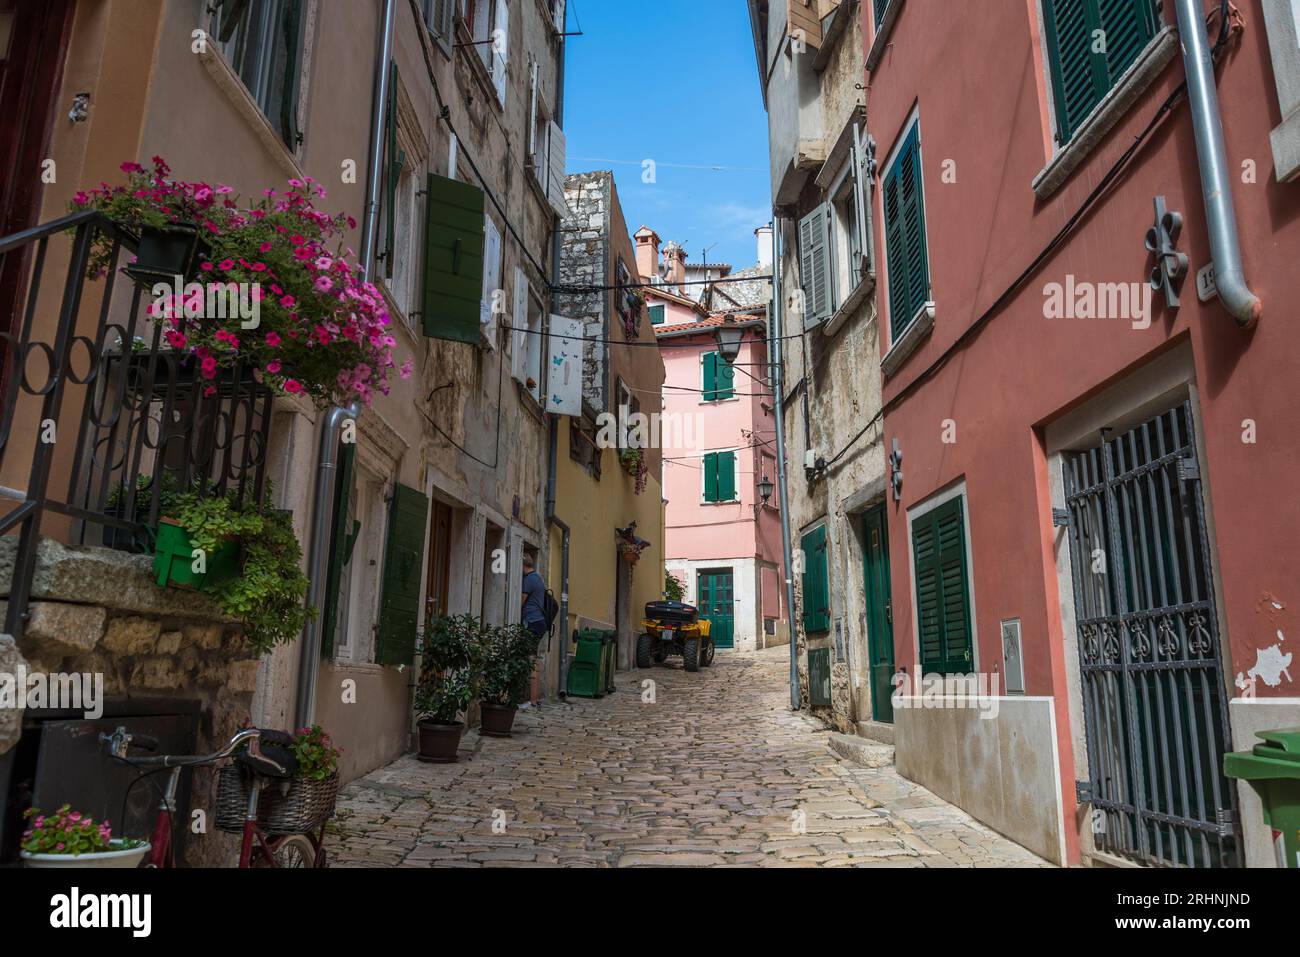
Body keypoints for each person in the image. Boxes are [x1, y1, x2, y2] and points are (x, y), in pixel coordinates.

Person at [520, 554, 548, 642]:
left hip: (531, 621)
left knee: (526, 652)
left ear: (522, 564)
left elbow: (520, 603)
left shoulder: (528, 580)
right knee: (531, 652)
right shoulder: (537, 577)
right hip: (539, 621)